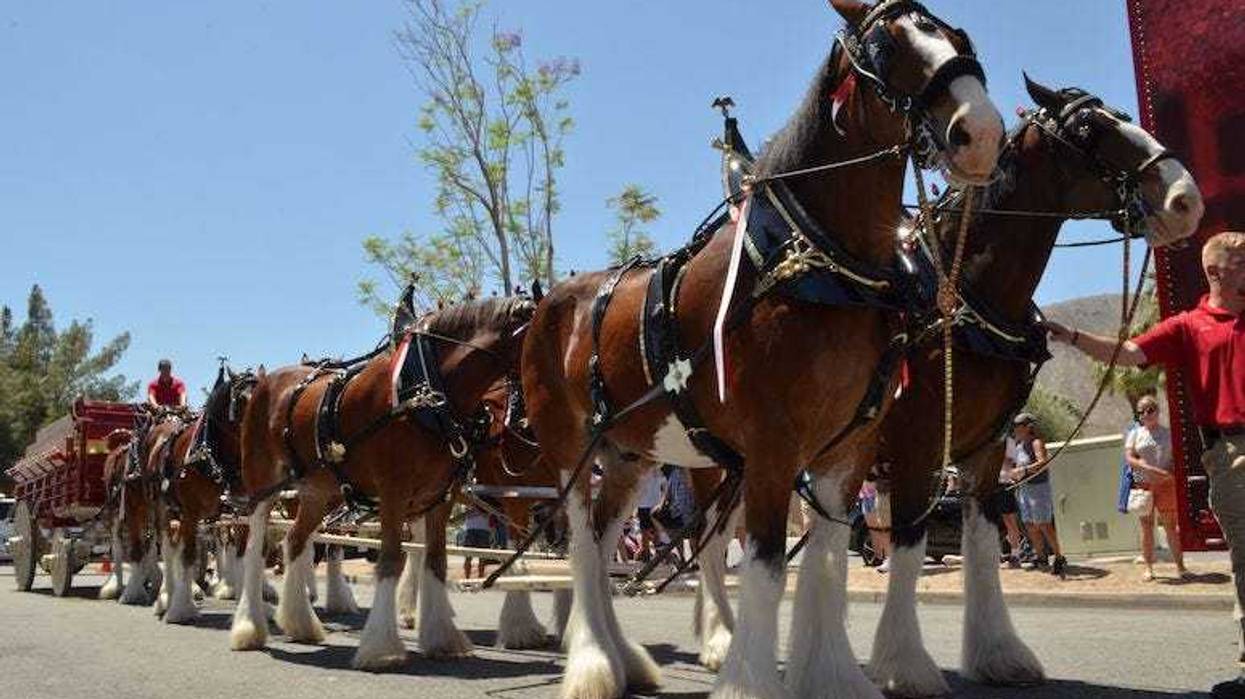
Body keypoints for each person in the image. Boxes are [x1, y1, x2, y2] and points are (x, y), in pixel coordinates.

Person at [1047, 231, 1245, 698]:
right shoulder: (1188, 326)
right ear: (1215, 271)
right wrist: (1072, 336)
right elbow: (1130, 353)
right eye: (1241, 261)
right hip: (1231, 455)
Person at [1125, 395, 1189, 581]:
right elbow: (1129, 458)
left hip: (1166, 483)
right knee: (1146, 526)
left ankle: (1181, 566)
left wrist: (1168, 473)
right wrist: (1145, 467)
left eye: (1150, 409)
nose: (1146, 414)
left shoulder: (1168, 433)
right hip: (1144, 484)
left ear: (1157, 411)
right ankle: (1148, 568)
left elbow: (1178, 456)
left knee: (1170, 525)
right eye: (1142, 411)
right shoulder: (1135, 434)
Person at [1005, 413, 1067, 577]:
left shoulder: (1036, 443)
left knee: (1044, 524)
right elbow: (1013, 466)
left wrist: (1024, 470)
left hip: (1038, 488)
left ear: (1027, 427)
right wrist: (1013, 474)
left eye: (1018, 426)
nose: (1016, 429)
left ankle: (1059, 557)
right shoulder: (1018, 446)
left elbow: (1043, 462)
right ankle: (1041, 557)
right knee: (1030, 524)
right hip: (1024, 489)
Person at [635, 468, 663, 562]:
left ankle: (648, 555)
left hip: (646, 503)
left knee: (646, 531)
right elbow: (663, 483)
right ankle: (653, 554)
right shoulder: (657, 470)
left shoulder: (641, 470)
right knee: (653, 530)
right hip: (652, 503)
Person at [459, 503, 493, 580]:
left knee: (482, 557)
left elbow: (489, 514)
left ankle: (480, 579)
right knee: (468, 557)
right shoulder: (467, 503)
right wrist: (478, 510)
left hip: (483, 530)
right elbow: (465, 514)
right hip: (472, 530)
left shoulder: (487, 502)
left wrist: (478, 510)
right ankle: (467, 580)